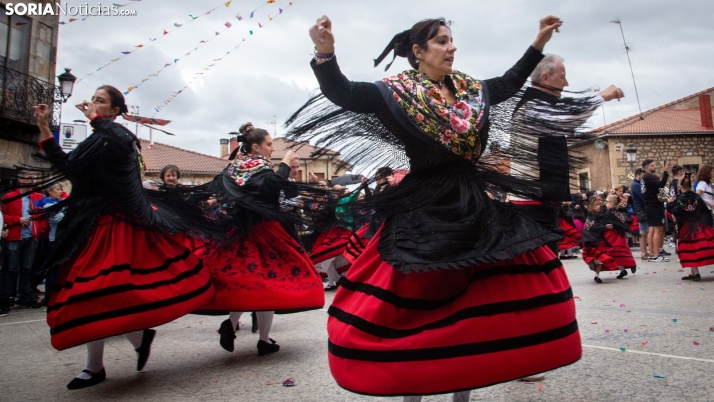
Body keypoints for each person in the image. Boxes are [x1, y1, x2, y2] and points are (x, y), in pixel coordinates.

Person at [287, 15, 584, 398]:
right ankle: (414, 392)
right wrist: (325, 53)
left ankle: (465, 387)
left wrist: (538, 41)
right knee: (417, 302)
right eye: (442, 41)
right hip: (423, 209)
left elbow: (510, 82)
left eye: (452, 40)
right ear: (418, 52)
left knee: (479, 298)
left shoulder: (469, 89)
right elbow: (344, 93)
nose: (452, 47)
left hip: (472, 203)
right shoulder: (395, 93)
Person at [30, 86, 219, 389]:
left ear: (115, 110)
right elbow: (70, 169)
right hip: (90, 225)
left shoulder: (119, 137)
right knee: (89, 295)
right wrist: (43, 127)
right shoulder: (95, 139)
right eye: (94, 99)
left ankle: (124, 345)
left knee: (104, 291)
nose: (94, 104)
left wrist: (95, 119)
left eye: (101, 101)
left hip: (116, 225)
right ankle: (101, 362)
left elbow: (121, 143)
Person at [194, 122, 326, 356]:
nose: (272, 148)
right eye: (269, 144)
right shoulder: (256, 167)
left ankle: (233, 325)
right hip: (262, 233)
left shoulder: (239, 167)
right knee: (269, 286)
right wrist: (285, 164)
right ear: (256, 146)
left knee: (246, 283)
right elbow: (270, 189)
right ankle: (262, 339)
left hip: (242, 232)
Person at [509, 54, 623, 256]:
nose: (566, 83)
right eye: (562, 77)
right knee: (542, 271)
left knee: (546, 270)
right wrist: (601, 96)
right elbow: (568, 117)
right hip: (531, 204)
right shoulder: (533, 106)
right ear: (545, 78)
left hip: (539, 202)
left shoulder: (540, 104)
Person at [0, 170, 44, 312]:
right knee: (11, 268)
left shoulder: (38, 197)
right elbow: (3, 215)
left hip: (32, 237)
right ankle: (5, 299)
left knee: (27, 268)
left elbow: (43, 215)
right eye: (28, 178)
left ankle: (25, 297)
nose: (31, 180)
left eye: (33, 178)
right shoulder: (10, 196)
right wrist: (17, 220)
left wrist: (40, 230)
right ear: (20, 180)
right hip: (14, 236)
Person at [668, 173, 714, 280]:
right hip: (699, 225)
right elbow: (704, 211)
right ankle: (694, 273)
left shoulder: (680, 199)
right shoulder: (697, 197)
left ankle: (695, 273)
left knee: (690, 249)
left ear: (680, 186)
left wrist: (669, 204)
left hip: (687, 227)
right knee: (697, 247)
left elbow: (675, 211)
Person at [581, 196, 620, 283]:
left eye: (599, 205)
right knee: (601, 257)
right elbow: (595, 227)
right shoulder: (593, 216)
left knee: (598, 258)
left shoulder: (591, 215)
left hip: (591, 239)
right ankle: (596, 273)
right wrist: (605, 227)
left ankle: (596, 274)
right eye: (596, 205)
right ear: (590, 206)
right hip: (596, 240)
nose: (599, 207)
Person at [641, 159, 669, 262]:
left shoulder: (645, 178)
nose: (655, 167)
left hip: (650, 205)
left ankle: (653, 253)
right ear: (648, 167)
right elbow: (661, 184)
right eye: (653, 165)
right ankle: (656, 255)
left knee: (652, 230)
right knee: (658, 229)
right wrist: (665, 172)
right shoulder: (647, 177)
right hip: (654, 205)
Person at [631, 168, 649, 259]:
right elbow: (643, 196)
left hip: (642, 208)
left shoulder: (639, 184)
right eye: (642, 175)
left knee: (645, 230)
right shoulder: (636, 185)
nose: (643, 177)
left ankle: (645, 251)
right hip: (641, 209)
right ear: (638, 175)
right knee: (643, 231)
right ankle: (643, 252)